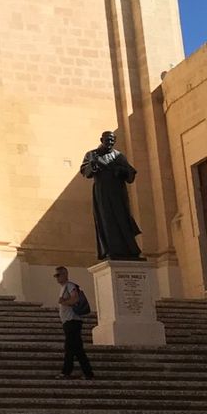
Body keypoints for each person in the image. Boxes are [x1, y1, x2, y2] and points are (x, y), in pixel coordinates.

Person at [81, 130, 142, 259]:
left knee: (123, 218)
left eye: (112, 140)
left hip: (118, 192)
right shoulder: (92, 154)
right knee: (106, 219)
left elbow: (130, 174)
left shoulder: (118, 156)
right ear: (101, 140)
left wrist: (121, 171)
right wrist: (93, 165)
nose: (110, 143)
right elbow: (85, 171)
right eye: (108, 140)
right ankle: (111, 249)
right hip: (102, 192)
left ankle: (129, 249)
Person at [54, 265, 94, 380]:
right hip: (68, 321)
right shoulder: (64, 287)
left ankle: (66, 372)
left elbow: (75, 299)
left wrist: (64, 302)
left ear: (65, 274)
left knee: (70, 347)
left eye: (59, 275)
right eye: (55, 275)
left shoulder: (70, 285)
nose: (57, 278)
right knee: (77, 349)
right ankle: (88, 373)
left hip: (72, 321)